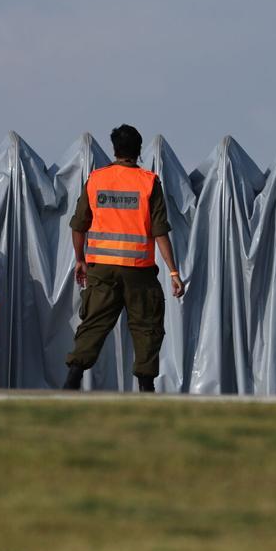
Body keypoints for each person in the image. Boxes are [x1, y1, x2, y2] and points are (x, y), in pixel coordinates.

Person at [63, 124, 185, 392]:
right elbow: (160, 232)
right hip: (138, 272)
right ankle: (145, 388)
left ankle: (72, 381)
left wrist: (80, 259)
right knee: (146, 327)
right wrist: (174, 273)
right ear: (138, 151)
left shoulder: (96, 179)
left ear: (115, 150)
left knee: (93, 324)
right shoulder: (149, 182)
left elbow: (78, 226)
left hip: (102, 271)